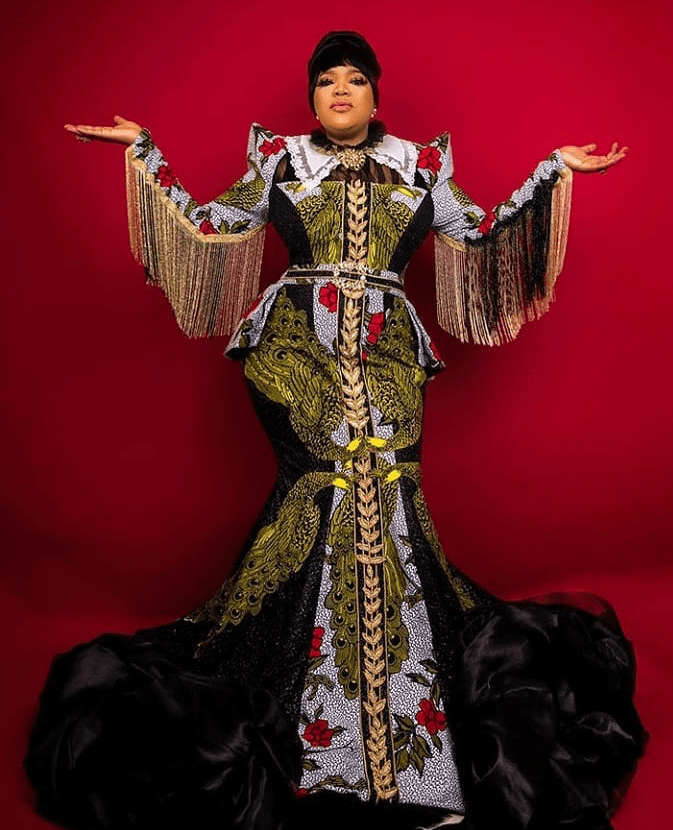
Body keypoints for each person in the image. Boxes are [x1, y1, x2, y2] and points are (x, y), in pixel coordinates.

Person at [25, 30, 644, 830]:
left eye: (354, 79)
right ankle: (318, 727)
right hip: (293, 352)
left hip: (388, 355)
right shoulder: (277, 160)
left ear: (375, 97)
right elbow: (209, 223)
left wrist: (552, 171)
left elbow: (479, 233)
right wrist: (145, 151)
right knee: (326, 490)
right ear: (313, 99)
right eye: (325, 81)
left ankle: (406, 730)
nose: (340, 90)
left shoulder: (421, 165)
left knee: (389, 494)